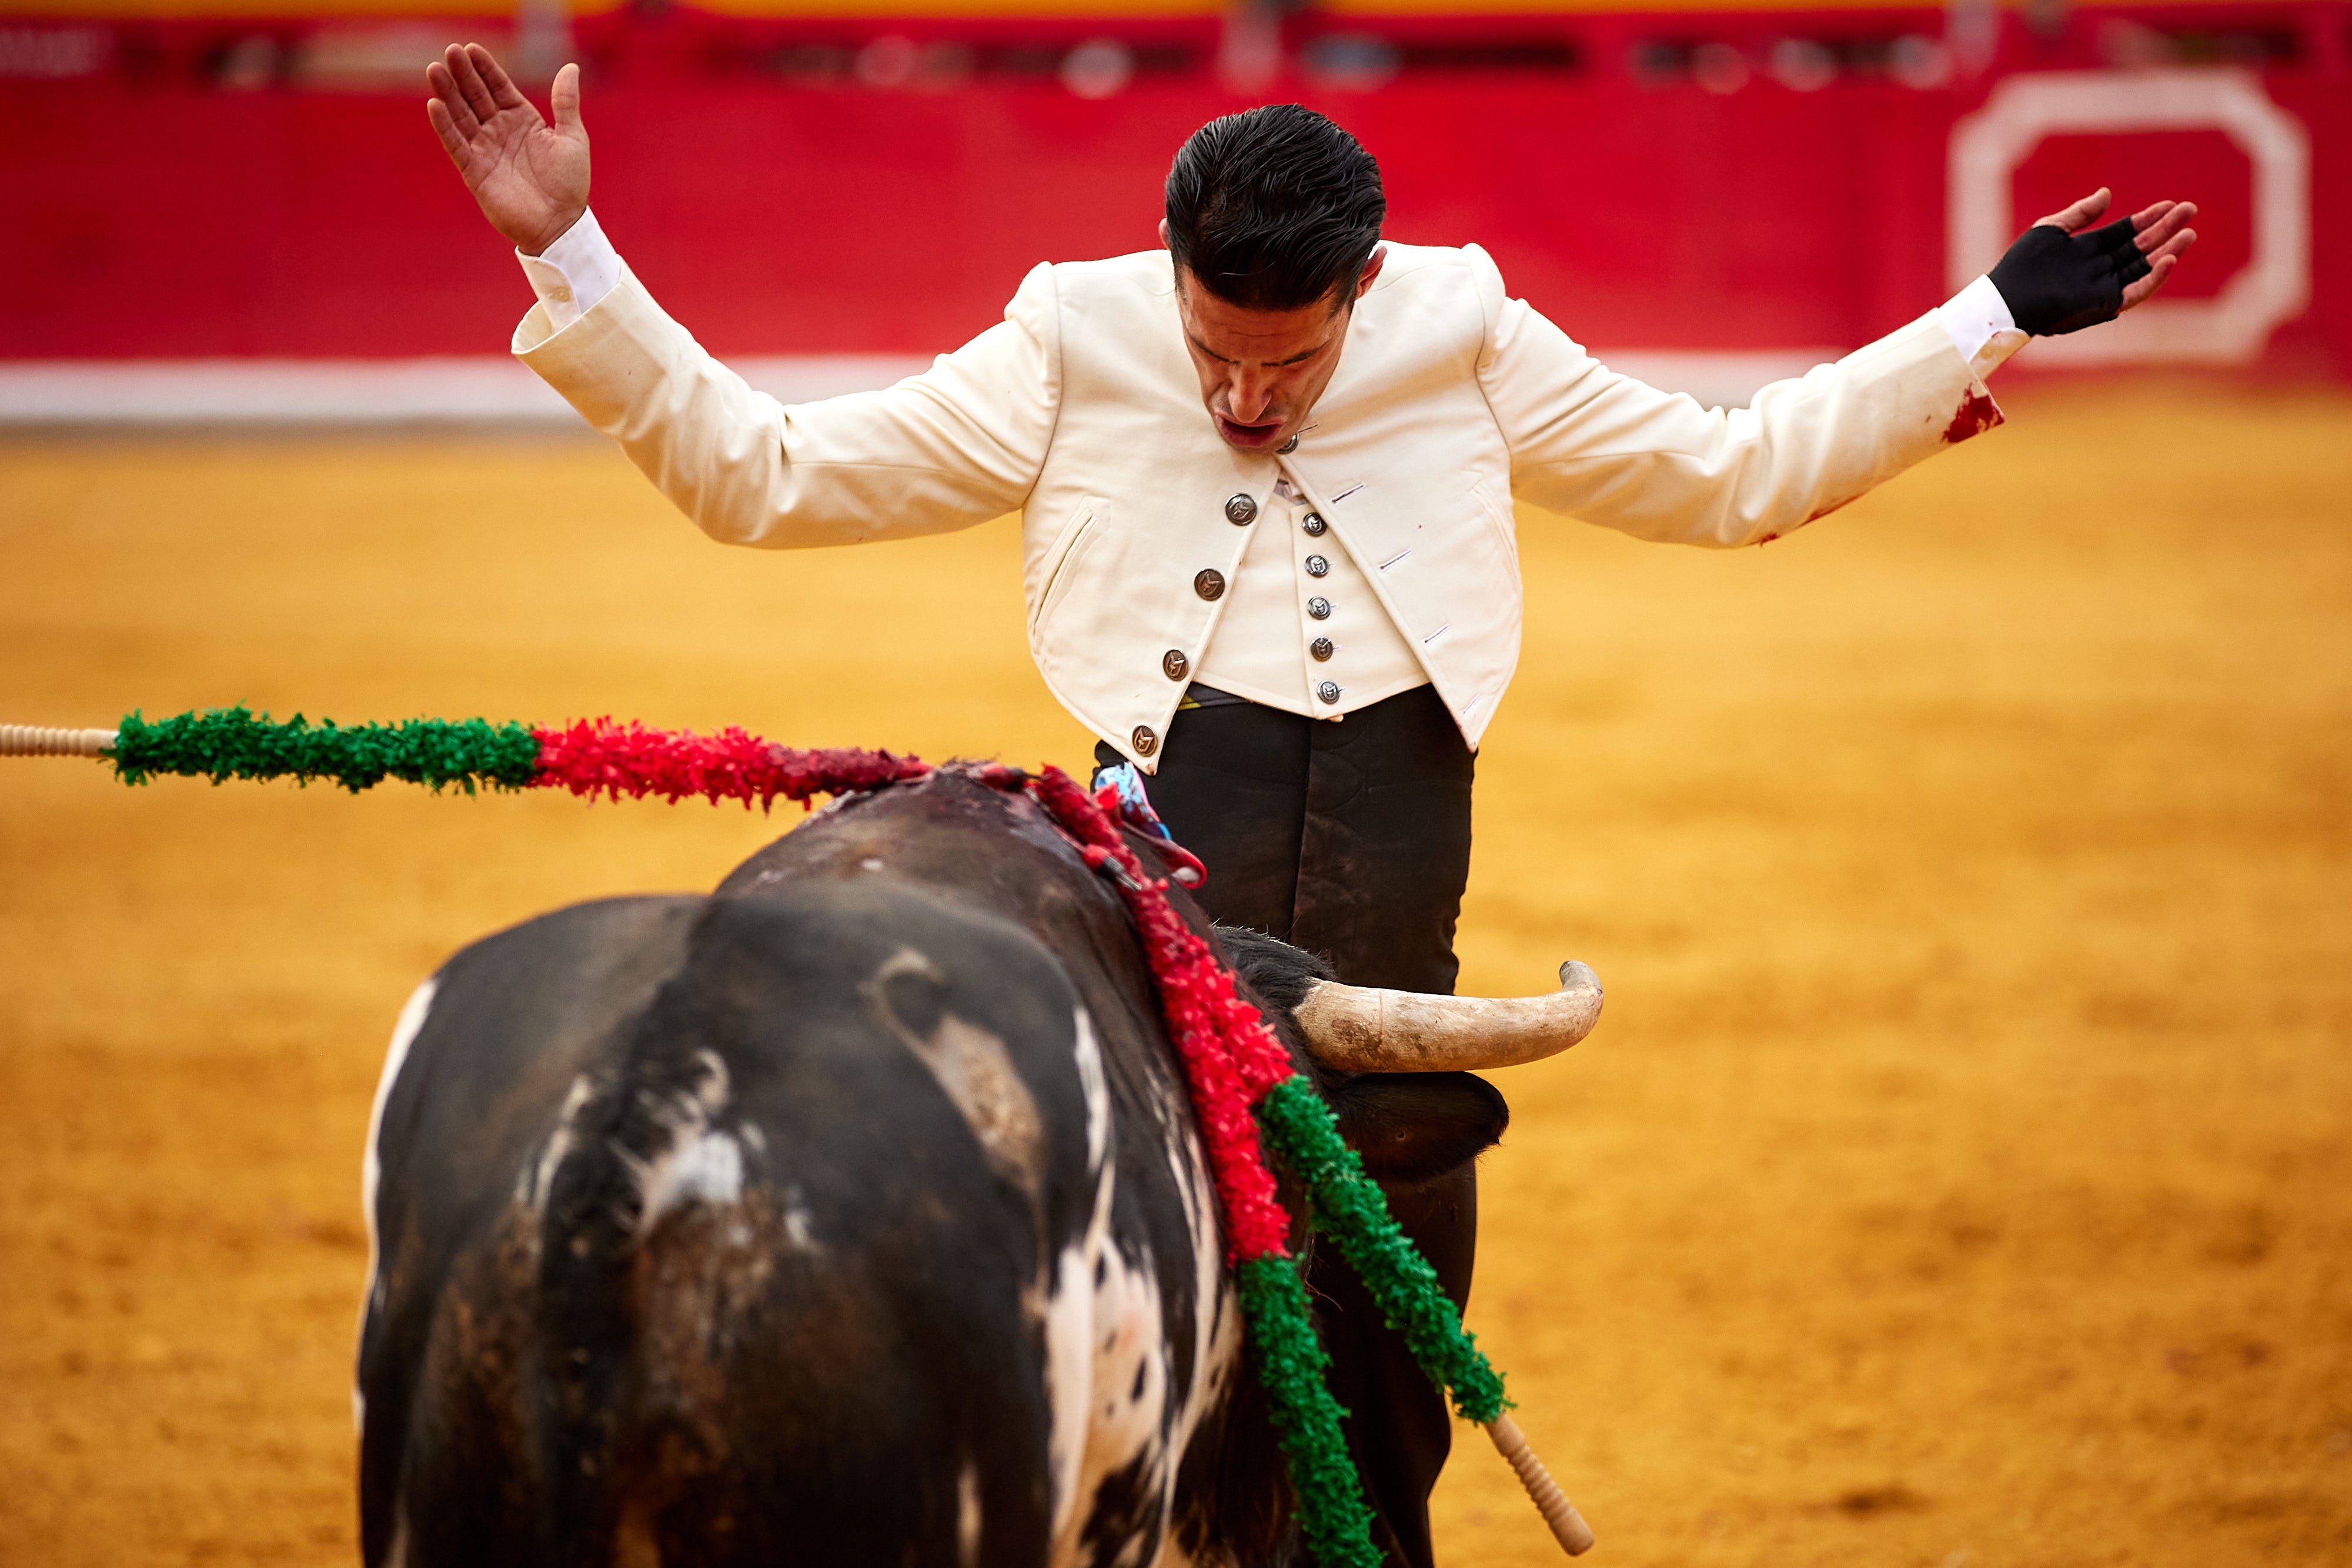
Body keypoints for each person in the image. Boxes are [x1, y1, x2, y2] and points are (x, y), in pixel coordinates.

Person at [423, 41, 2194, 1565]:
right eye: (1213, 353)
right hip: (1157, 923)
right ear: (1174, 278)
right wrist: (569, 248)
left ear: (1363, 289)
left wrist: (1992, 317)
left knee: (1380, 1405)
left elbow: (1730, 478)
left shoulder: (1468, 330)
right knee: (1134, 1360)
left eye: (1290, 363)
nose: (1242, 398)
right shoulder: (1075, 336)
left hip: (1383, 943)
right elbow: (767, 478)